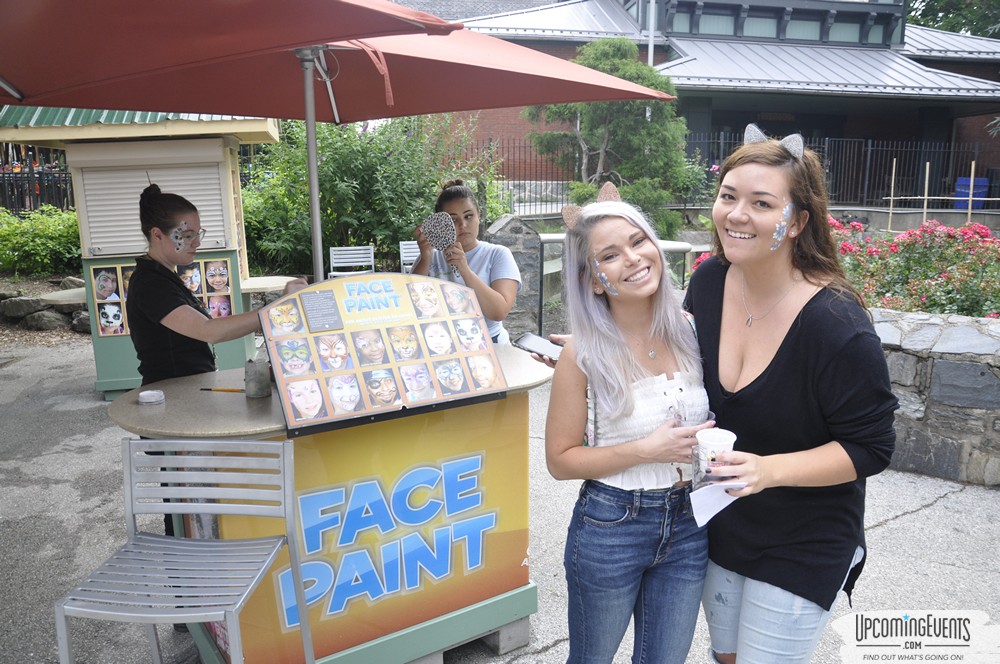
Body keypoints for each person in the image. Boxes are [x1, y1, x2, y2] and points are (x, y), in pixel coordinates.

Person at [684, 125, 897, 664]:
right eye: (728, 196)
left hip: (806, 536)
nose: (736, 214)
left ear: (798, 221)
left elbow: (871, 448)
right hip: (723, 519)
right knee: (727, 656)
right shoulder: (708, 283)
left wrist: (768, 471)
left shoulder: (836, 324)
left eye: (761, 203)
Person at [544, 198, 713, 664]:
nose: (633, 259)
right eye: (610, 255)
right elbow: (559, 461)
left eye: (638, 242)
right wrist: (645, 450)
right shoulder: (580, 356)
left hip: (688, 525)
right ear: (593, 281)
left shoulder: (693, 331)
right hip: (611, 526)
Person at [127, 183, 306, 386]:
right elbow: (209, 330)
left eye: (197, 234)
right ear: (157, 235)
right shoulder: (150, 284)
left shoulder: (164, 275)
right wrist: (276, 311)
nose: (197, 243)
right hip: (173, 394)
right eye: (187, 236)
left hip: (187, 388)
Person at [412, 180, 521, 344]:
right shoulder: (430, 257)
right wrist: (425, 256)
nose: (463, 225)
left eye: (469, 216)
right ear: (442, 224)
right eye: (453, 220)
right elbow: (411, 305)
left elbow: (499, 312)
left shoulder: (497, 254)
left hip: (490, 342)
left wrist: (465, 269)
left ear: (479, 215)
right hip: (443, 344)